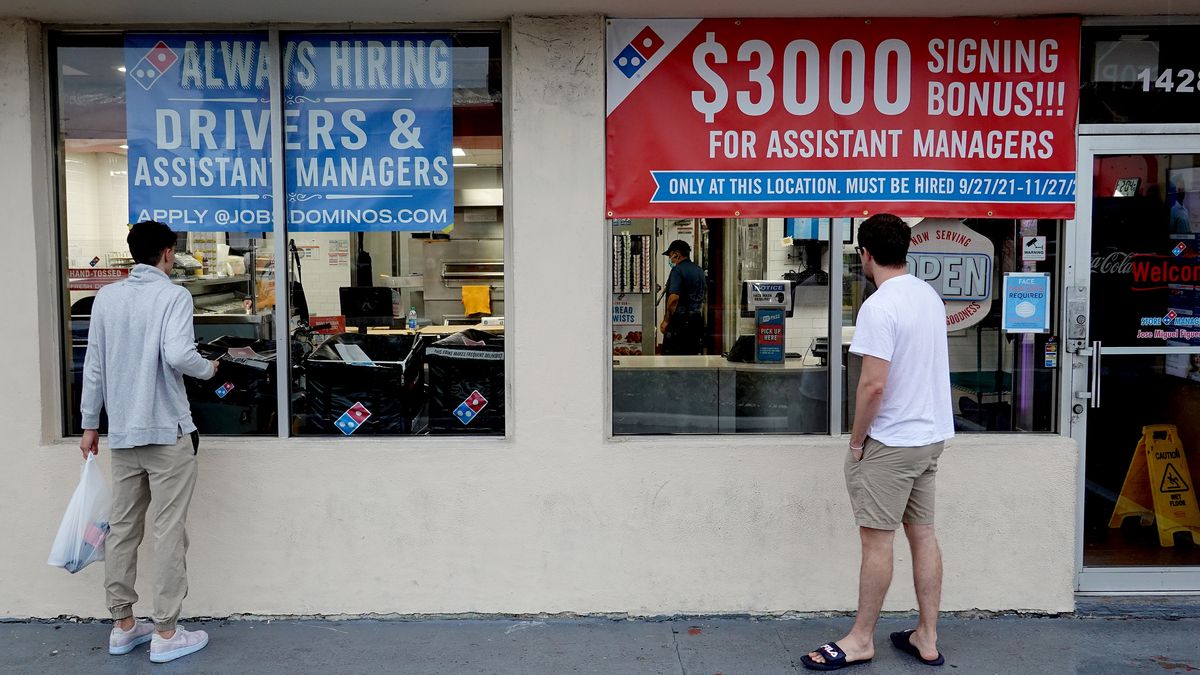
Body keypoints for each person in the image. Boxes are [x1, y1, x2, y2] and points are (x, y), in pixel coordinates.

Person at [802, 214, 954, 671]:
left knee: (877, 543)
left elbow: (872, 387)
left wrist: (855, 441)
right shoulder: (928, 295)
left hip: (891, 442)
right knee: (923, 535)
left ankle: (860, 640)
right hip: (930, 437)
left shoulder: (879, 306)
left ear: (865, 254)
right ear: (905, 249)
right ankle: (926, 636)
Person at [79, 220, 219, 664]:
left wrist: (89, 424)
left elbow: (94, 364)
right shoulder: (172, 295)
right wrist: (209, 369)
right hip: (166, 430)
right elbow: (179, 355)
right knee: (168, 531)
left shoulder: (107, 297)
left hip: (122, 432)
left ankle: (123, 625)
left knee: (123, 529)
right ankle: (165, 631)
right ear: (167, 252)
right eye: (173, 252)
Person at [659, 239, 705, 355]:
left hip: (680, 322)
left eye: (671, 256)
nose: (670, 259)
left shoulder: (677, 271)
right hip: (696, 321)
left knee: (673, 359)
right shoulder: (699, 271)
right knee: (691, 358)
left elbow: (674, 298)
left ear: (677, 254)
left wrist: (666, 320)